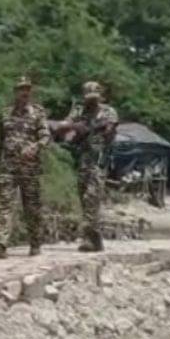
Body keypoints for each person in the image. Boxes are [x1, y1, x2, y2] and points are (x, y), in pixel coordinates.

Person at [0, 76, 50, 258]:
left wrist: (35, 146)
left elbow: (46, 137)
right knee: (4, 205)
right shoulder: (5, 113)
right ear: (15, 92)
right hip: (8, 167)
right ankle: (1, 243)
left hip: (30, 169)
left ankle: (35, 242)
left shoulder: (37, 113)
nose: (24, 92)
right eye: (21, 89)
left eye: (27, 89)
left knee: (32, 207)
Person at [56, 81, 118, 252]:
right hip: (83, 160)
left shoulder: (108, 111)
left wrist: (92, 129)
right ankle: (95, 237)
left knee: (92, 196)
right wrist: (73, 127)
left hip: (99, 161)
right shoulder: (79, 110)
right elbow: (63, 127)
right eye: (88, 98)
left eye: (94, 98)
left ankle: (89, 238)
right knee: (85, 198)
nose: (91, 102)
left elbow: (109, 130)